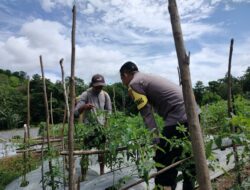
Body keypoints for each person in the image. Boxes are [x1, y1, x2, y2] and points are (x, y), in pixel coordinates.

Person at [119, 61, 196, 190]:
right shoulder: (147, 78)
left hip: (178, 117)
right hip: (193, 113)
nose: (123, 82)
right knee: (187, 157)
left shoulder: (134, 84)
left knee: (163, 161)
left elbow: (147, 114)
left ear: (126, 74)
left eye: (122, 78)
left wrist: (156, 140)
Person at [74, 74, 112, 176]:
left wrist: (106, 126)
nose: (99, 88)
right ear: (92, 84)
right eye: (97, 86)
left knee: (101, 153)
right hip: (89, 129)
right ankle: (83, 176)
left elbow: (109, 112)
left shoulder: (105, 95)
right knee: (85, 153)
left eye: (101, 86)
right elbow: (75, 112)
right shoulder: (85, 94)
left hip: (101, 129)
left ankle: (102, 173)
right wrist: (85, 107)